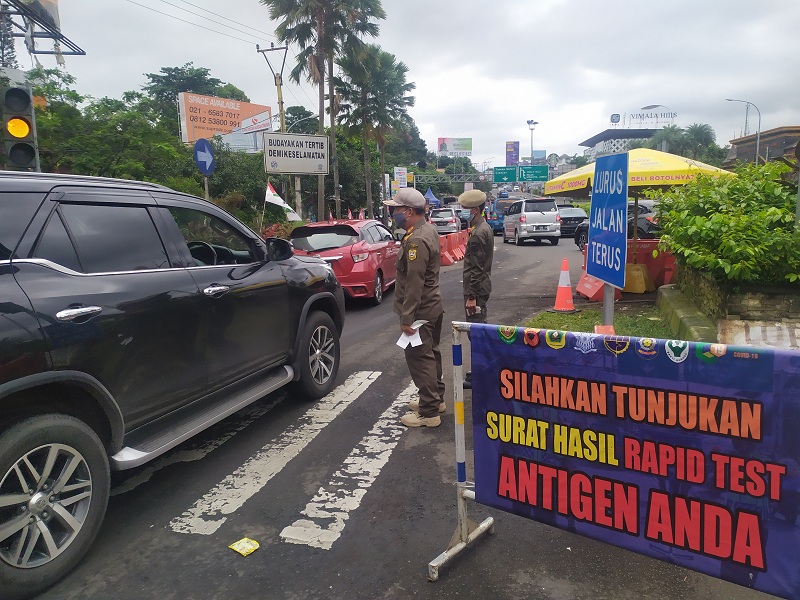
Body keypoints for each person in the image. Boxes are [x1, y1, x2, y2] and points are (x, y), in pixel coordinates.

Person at [387, 187, 445, 427]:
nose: (393, 214)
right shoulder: (426, 230)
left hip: (420, 311)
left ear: (409, 211)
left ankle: (429, 412)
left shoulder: (416, 240)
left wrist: (407, 317)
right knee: (431, 355)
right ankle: (435, 399)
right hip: (432, 306)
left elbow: (414, 283)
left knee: (420, 360)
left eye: (396, 209)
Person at [458, 189, 493, 389]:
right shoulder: (481, 227)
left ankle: (480, 373)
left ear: (475, 210)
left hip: (477, 289)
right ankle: (480, 370)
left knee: (476, 332)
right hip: (480, 287)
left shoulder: (478, 233)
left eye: (466, 209)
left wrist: (471, 296)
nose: (463, 212)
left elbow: (477, 267)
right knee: (478, 330)